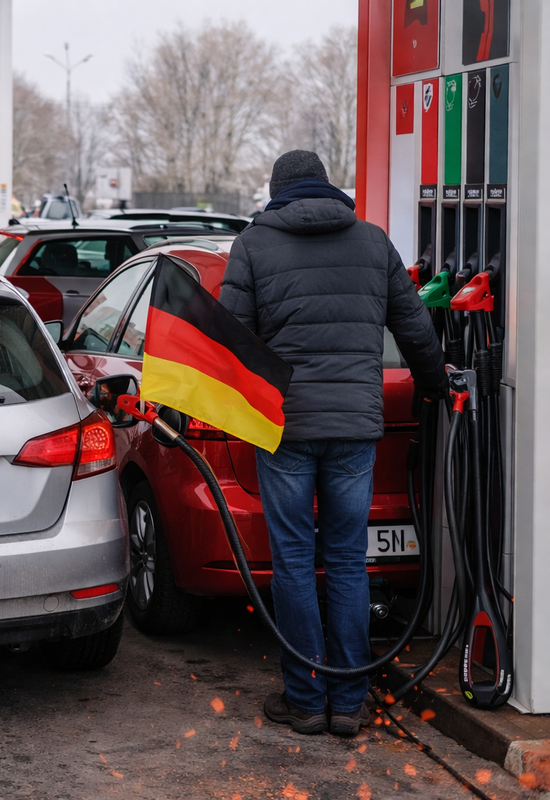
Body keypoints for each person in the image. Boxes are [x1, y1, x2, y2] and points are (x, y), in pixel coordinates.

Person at [219, 151, 446, 736]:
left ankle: (305, 701)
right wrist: (435, 386)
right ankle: (348, 704)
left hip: (285, 429)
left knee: (294, 561)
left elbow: (230, 339)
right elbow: (415, 327)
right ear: (327, 186)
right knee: (347, 559)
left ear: (277, 192)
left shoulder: (252, 245)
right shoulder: (372, 242)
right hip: (353, 431)